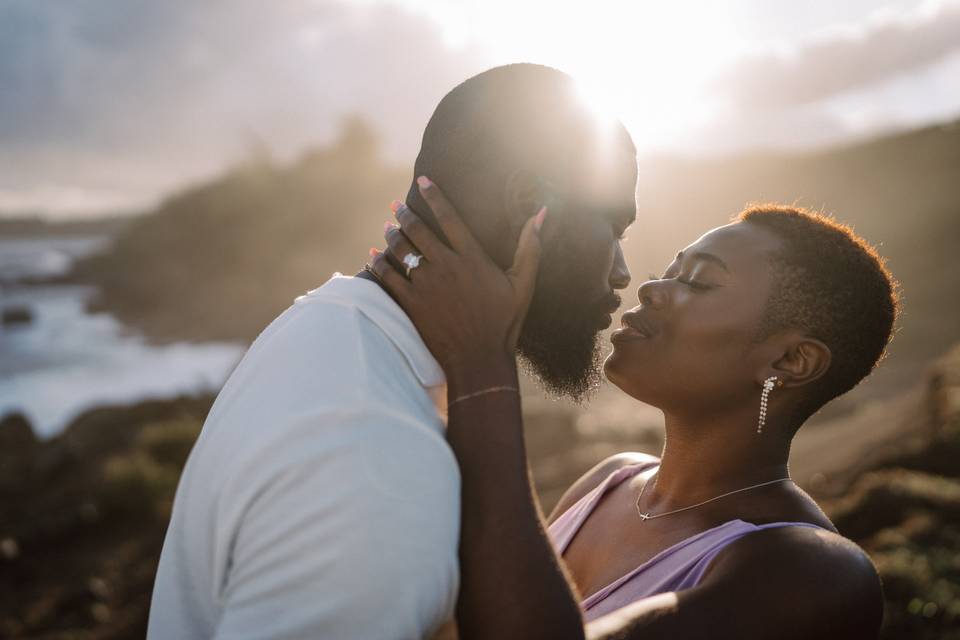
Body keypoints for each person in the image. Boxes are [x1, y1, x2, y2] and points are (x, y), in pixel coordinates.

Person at [147, 63, 637, 639]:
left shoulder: (325, 327)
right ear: (532, 206)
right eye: (614, 229)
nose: (624, 272)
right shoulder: (373, 454)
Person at [370, 181, 898, 639]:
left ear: (790, 360)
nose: (650, 287)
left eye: (698, 281)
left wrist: (483, 362)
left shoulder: (814, 572)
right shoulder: (609, 483)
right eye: (669, 270)